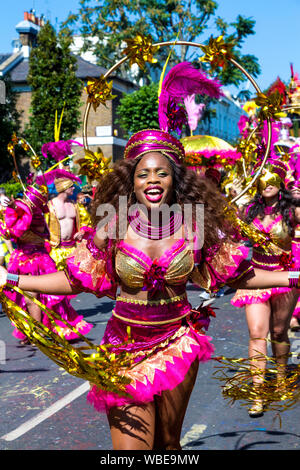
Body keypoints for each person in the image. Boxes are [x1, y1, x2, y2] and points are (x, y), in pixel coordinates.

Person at [0, 130, 298, 449]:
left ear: (176, 179)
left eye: (161, 172)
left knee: (168, 446)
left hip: (178, 342)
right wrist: (13, 280)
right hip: (123, 347)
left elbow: (239, 277)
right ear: (132, 181)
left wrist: (292, 277)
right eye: (143, 173)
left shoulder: (194, 223)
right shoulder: (112, 223)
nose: (152, 180)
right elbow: (74, 280)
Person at [231, 159, 300, 417]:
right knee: (257, 333)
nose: (268, 183)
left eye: (273, 179)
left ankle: (281, 377)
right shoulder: (249, 210)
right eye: (264, 178)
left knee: (279, 332)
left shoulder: (292, 211)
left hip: (286, 276)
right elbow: (230, 233)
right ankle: (257, 393)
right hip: (256, 276)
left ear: (280, 183)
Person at [0, 183, 93, 343]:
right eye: (26, 197)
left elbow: (19, 225)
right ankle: (32, 330)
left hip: (38, 260)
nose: (26, 200)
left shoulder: (34, 213)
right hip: (21, 258)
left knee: (38, 297)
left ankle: (39, 332)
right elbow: (10, 231)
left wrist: (14, 206)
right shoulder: (26, 211)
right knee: (25, 297)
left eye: (29, 199)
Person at [46, 175, 92, 270]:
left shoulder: (75, 205)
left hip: (73, 249)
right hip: (56, 251)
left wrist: (82, 231)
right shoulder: (50, 206)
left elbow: (87, 222)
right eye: (71, 186)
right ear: (64, 187)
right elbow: (43, 228)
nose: (73, 188)